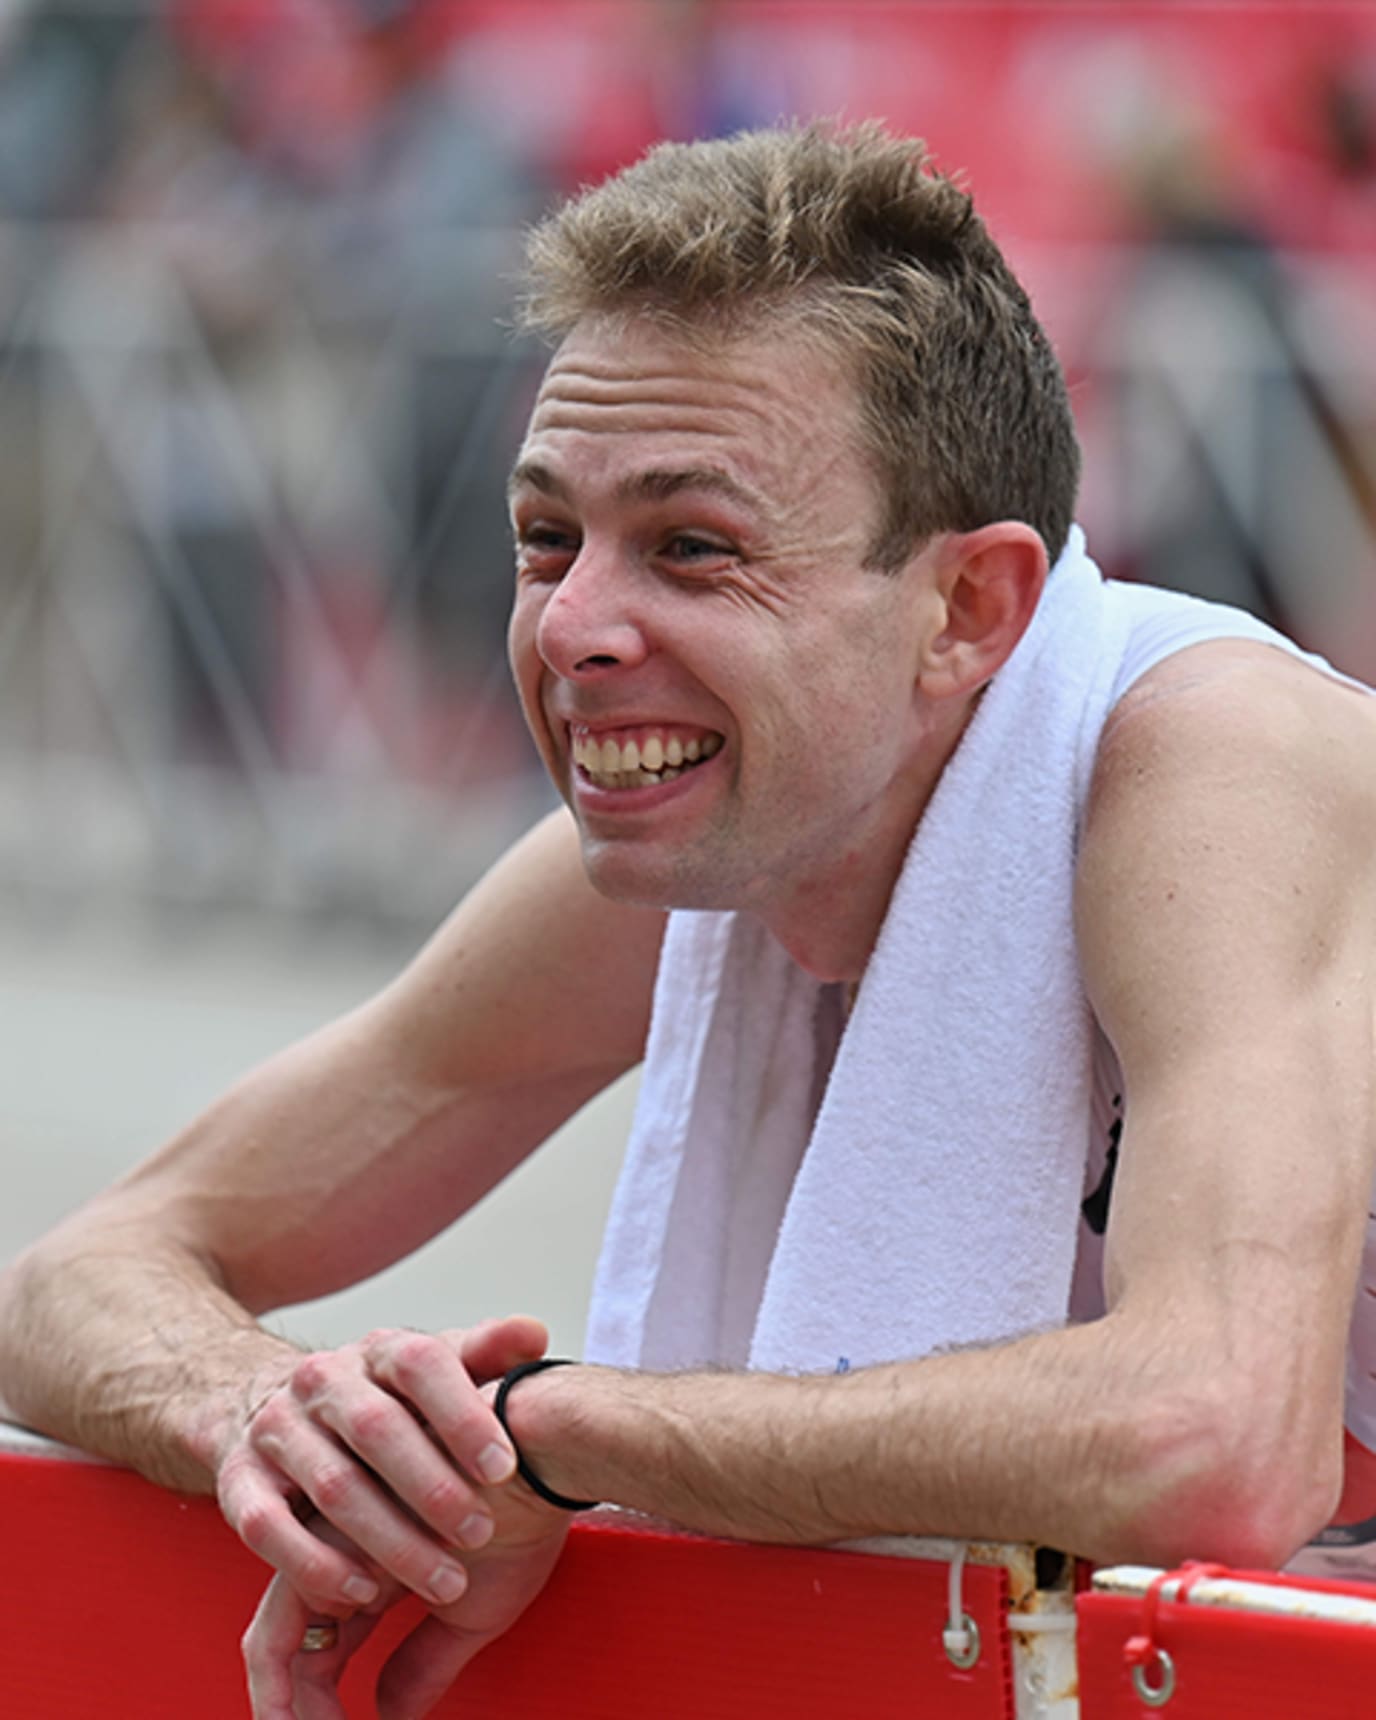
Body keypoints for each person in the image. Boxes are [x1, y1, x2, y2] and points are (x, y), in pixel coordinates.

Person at [2, 122, 1375, 1720]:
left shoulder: (1221, 766)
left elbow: (1212, 1434)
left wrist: (553, 1433)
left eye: (693, 548)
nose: (574, 625)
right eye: (543, 538)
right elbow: (78, 1273)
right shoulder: (698, 830)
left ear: (969, 610)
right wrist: (303, 1431)